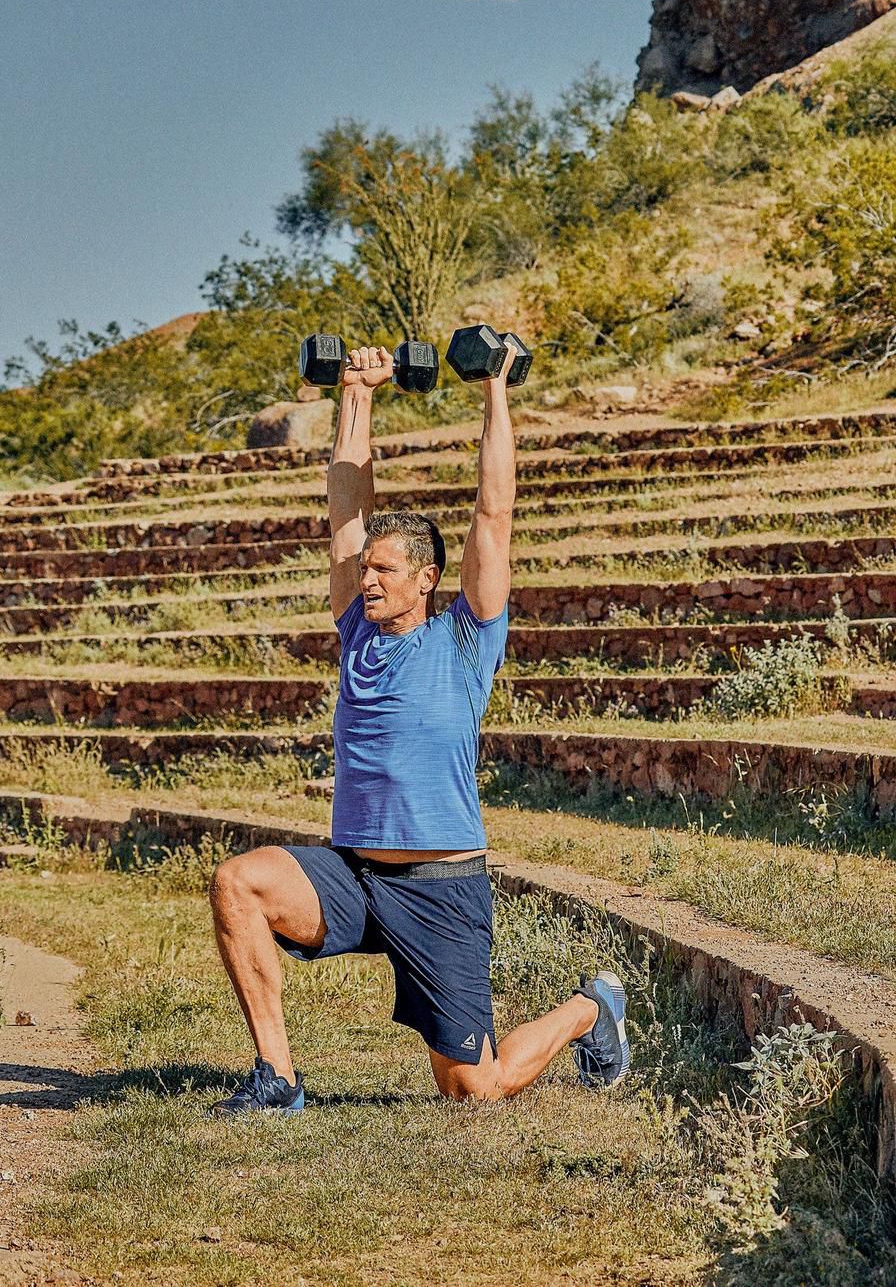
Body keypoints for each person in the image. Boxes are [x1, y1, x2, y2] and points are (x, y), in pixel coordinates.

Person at [209, 339, 629, 1115]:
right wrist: (358, 391)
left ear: (427, 579)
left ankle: (588, 1009)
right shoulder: (356, 631)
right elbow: (346, 508)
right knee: (239, 882)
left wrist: (495, 390)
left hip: (442, 888)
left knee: (474, 1088)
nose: (365, 579)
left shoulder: (465, 637)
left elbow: (492, 514)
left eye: (383, 571)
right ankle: (278, 1078)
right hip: (357, 876)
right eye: (363, 568)